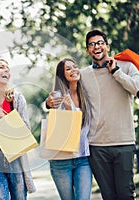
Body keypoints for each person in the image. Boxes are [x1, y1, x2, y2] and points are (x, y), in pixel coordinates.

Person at [80, 29, 139, 200]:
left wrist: (117, 72)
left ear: (107, 47)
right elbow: (70, 98)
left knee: (125, 194)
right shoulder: (83, 75)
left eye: (100, 43)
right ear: (88, 50)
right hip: (97, 145)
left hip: (123, 142)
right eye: (92, 44)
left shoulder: (126, 66)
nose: (96, 47)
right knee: (108, 196)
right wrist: (49, 103)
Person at [0, 58, 36, 200]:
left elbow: (25, 130)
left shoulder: (16, 98)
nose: (6, 70)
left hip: (14, 154)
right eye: (1, 67)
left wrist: (1, 114)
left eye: (8, 68)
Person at [45, 58, 92, 200]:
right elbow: (53, 118)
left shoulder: (86, 95)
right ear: (62, 74)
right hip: (61, 160)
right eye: (68, 69)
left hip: (83, 158)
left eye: (75, 66)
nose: (73, 70)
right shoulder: (58, 96)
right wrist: (61, 107)